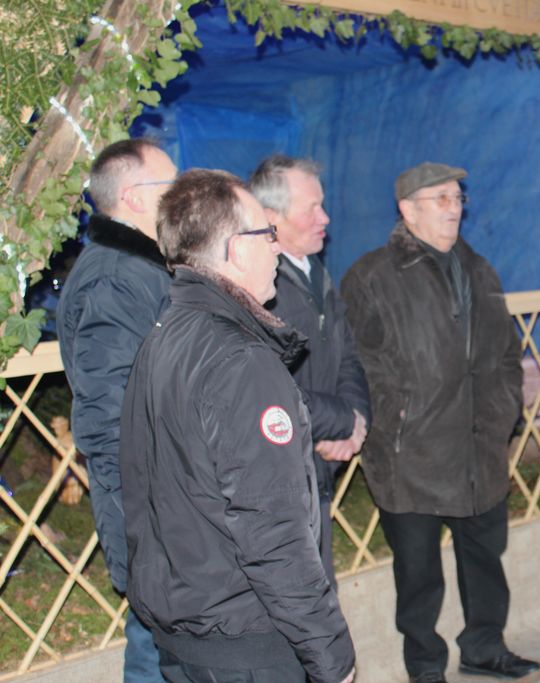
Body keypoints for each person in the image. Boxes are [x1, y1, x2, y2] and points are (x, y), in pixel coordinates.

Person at [119, 169, 356, 683]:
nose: (276, 248)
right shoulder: (241, 361)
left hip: (188, 628)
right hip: (245, 639)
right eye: (266, 234)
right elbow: (272, 528)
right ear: (235, 248)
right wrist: (330, 653)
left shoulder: (163, 337)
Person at [340, 162, 540, 683]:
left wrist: (500, 415)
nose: (454, 209)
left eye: (458, 198)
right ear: (408, 211)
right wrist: (394, 423)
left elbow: (505, 355)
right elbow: (357, 365)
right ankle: (425, 668)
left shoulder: (480, 270)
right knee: (418, 575)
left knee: (485, 560)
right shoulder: (373, 275)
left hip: (478, 448)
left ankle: (484, 648)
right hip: (411, 455)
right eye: (441, 199)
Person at [56, 138, 176, 683]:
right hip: (152, 504)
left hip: (164, 499)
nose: (181, 195)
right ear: (133, 197)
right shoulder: (116, 277)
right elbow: (108, 418)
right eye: (171, 184)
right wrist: (157, 512)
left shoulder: (140, 268)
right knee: (158, 649)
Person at [249, 155, 370, 587]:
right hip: (279, 471)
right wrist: (336, 423)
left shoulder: (314, 272)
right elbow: (266, 387)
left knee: (319, 589)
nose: (326, 218)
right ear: (271, 217)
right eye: (312, 208)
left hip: (317, 463)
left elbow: (348, 355)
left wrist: (354, 420)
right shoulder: (259, 287)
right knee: (299, 596)